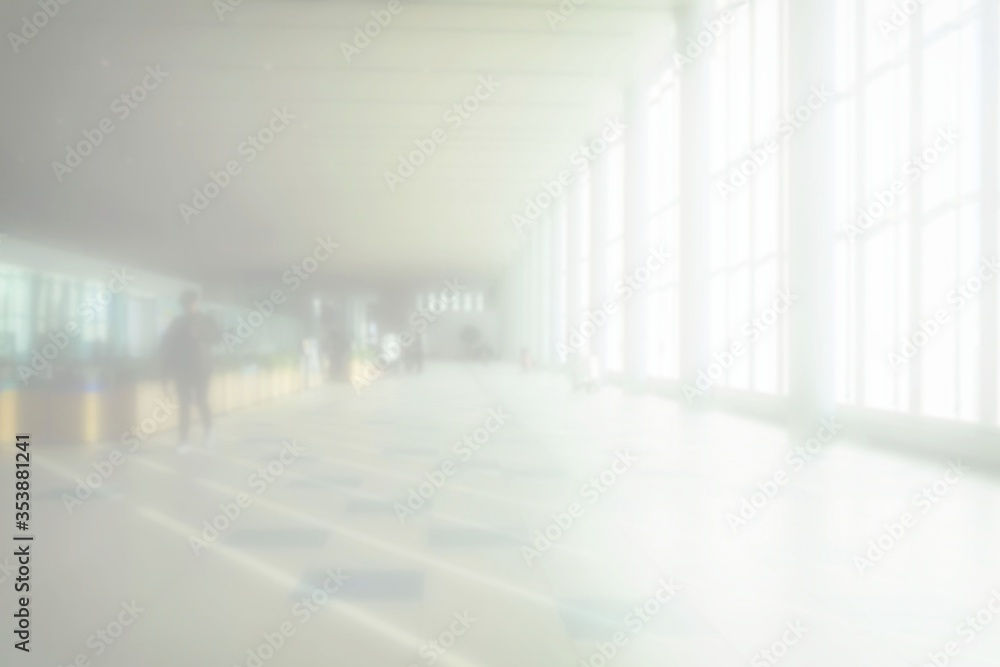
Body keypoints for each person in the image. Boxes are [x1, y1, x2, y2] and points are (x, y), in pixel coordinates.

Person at [162, 289, 220, 452]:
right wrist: (165, 374)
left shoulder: (206, 320)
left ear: (196, 303)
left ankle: (209, 430)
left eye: (191, 303)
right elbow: (168, 348)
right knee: (184, 404)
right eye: (186, 304)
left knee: (201, 400)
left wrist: (200, 334)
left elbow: (217, 338)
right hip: (183, 370)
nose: (189, 306)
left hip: (202, 368)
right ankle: (184, 441)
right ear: (183, 305)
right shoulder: (177, 323)